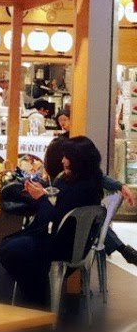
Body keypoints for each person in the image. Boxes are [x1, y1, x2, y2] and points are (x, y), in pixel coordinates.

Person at [0, 136, 103, 307]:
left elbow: (53, 216)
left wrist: (40, 198)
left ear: (77, 159)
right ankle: (36, 293)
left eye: (67, 156)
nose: (62, 160)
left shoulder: (79, 187)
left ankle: (36, 296)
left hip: (61, 245)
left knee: (9, 249)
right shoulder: (90, 183)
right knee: (10, 246)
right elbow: (60, 209)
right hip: (75, 245)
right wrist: (44, 194)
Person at [43, 108, 137, 267]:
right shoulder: (69, 175)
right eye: (60, 120)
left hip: (67, 240)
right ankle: (122, 249)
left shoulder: (74, 175)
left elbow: (98, 176)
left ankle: (123, 249)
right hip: (78, 234)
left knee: (92, 220)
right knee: (94, 221)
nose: (63, 123)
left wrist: (120, 186)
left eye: (65, 119)